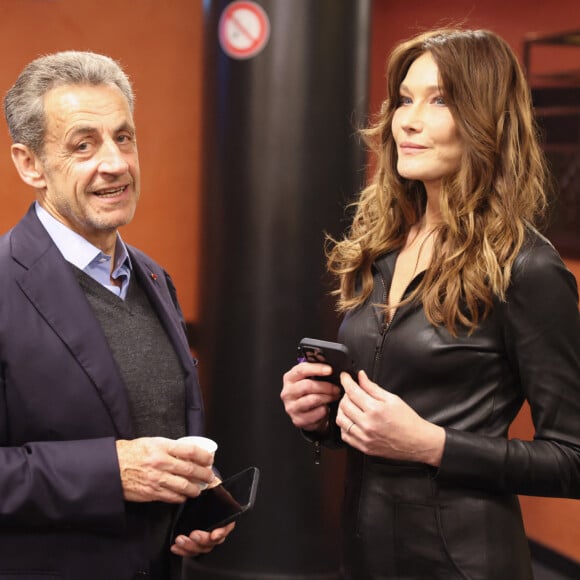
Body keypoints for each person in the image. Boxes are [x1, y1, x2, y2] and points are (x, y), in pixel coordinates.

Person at [281, 28, 580, 579]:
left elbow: (572, 459)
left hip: (465, 564)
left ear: (485, 120)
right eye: (404, 99)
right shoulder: (382, 246)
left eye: (438, 100)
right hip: (363, 558)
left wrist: (433, 445)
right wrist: (321, 416)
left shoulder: (528, 268)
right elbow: (385, 412)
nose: (408, 121)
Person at [0, 51, 234, 580]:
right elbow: (122, 466)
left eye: (123, 137)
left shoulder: (152, 278)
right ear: (29, 163)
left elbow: (149, 428)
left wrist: (193, 503)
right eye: (83, 145)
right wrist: (110, 472)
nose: (116, 163)